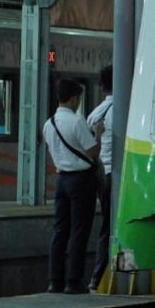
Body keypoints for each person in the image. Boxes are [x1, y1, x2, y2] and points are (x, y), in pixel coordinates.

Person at [42, 79, 104, 294]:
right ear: (74, 99)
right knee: (79, 230)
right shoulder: (77, 122)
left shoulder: (49, 124)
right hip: (81, 180)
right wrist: (98, 134)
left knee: (60, 231)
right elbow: (93, 151)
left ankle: (55, 281)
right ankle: (73, 281)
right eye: (78, 99)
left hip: (61, 181)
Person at [86, 66, 115, 290]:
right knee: (114, 225)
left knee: (105, 225)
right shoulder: (124, 108)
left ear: (102, 87)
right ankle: (107, 273)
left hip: (102, 174)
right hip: (118, 175)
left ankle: (98, 276)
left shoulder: (95, 113)